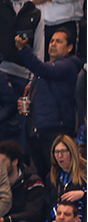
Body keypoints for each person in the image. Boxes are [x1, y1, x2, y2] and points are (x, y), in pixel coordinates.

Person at [16, 29, 82, 179]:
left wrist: (23, 49)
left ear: (70, 47)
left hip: (56, 131)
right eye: (52, 41)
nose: (53, 44)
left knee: (58, 176)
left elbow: (44, 70)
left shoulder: (69, 65)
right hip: (36, 131)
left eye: (59, 41)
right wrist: (27, 106)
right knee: (44, 177)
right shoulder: (43, 71)